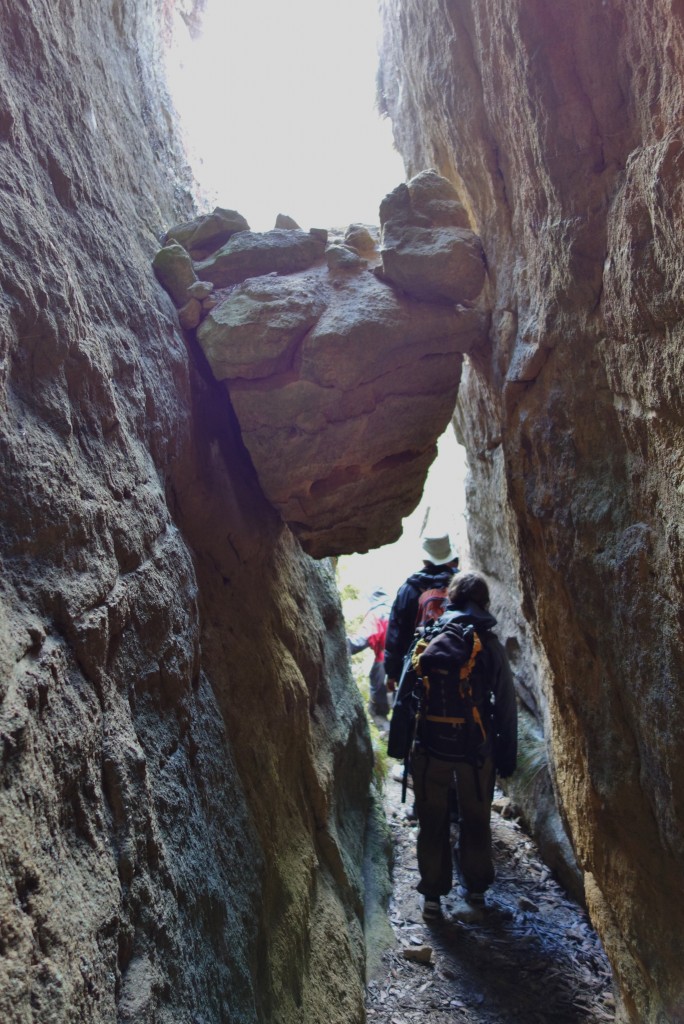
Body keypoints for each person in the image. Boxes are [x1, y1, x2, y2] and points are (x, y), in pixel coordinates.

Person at [409, 571, 517, 920]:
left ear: (452, 599)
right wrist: (506, 756)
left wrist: (402, 748)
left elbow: (406, 698)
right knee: (475, 820)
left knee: (432, 820)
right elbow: (505, 703)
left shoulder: (430, 635)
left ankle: (432, 899)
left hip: (430, 748)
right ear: (484, 602)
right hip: (476, 751)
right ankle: (476, 892)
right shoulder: (488, 644)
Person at [384, 532, 460, 696]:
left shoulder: (409, 589)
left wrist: (392, 672)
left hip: (418, 665)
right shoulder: (461, 586)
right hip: (458, 665)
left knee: (408, 712)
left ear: (424, 558)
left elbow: (395, 634)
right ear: (449, 557)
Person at [347, 587, 391, 721]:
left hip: (386, 662)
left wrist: (339, 642)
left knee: (377, 709)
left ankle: (386, 732)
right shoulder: (396, 610)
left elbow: (362, 639)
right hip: (406, 664)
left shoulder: (377, 613)